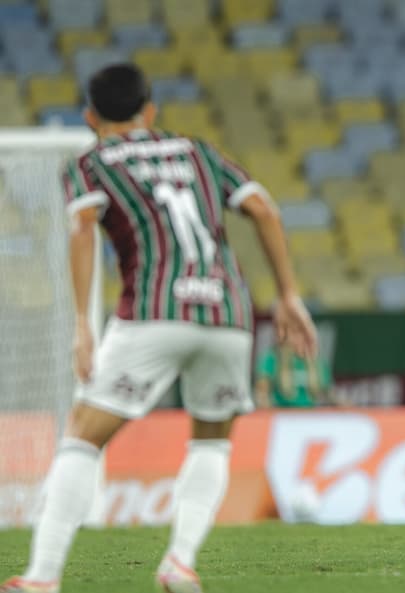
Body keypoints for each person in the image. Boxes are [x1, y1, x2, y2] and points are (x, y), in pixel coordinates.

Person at [1, 64, 317, 593]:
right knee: (212, 442)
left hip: (153, 312)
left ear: (89, 117)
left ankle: (42, 577)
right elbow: (263, 209)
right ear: (150, 111)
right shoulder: (198, 151)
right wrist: (288, 295)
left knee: (81, 437)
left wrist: (81, 322)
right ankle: (179, 562)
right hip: (227, 314)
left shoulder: (91, 163)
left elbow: (81, 229)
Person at [254, 343, 339, 408]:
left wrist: (341, 404)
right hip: (281, 414)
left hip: (310, 416)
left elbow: (328, 394)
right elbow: (261, 393)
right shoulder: (273, 358)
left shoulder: (317, 361)